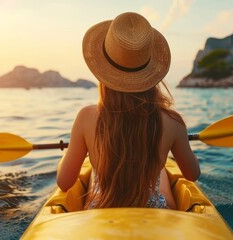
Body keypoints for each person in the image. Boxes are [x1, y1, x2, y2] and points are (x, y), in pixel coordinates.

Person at [56, 12, 200, 209]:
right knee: (162, 172)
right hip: (152, 212)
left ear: (103, 74)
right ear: (151, 74)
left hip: (102, 210)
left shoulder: (86, 117)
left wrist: (71, 151)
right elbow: (192, 174)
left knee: (93, 181)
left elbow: (64, 183)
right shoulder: (173, 121)